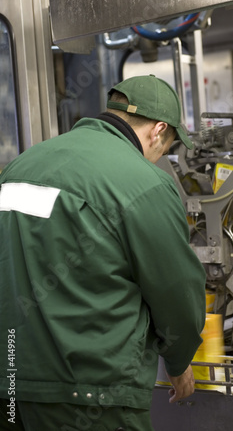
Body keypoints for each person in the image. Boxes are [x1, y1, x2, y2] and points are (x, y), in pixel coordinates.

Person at [0, 74, 206, 431]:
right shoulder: (144, 183)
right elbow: (175, 291)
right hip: (91, 396)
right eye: (167, 147)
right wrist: (178, 361)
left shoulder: (20, 166)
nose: (160, 158)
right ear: (157, 131)